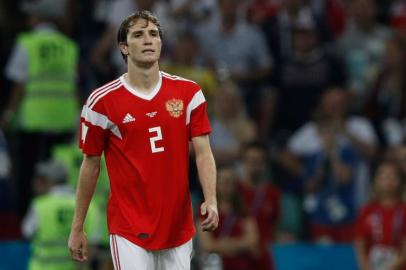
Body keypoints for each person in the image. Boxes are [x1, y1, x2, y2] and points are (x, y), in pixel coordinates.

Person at [68, 10, 218, 270]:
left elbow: (204, 153)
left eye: (154, 34)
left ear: (161, 42)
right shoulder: (101, 103)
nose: (148, 40)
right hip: (128, 228)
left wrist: (211, 199)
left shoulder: (189, 93)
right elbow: (90, 166)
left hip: (177, 227)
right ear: (123, 47)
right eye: (138, 35)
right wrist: (77, 227)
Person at [1, 0, 79, 217]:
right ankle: (58, 216)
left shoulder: (27, 43)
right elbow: (72, 85)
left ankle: (29, 218)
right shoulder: (68, 46)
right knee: (59, 171)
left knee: (28, 173)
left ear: (38, 18)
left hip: (33, 120)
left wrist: (8, 114)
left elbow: (19, 83)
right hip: (62, 118)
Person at [22, 159, 96, 270]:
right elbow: (94, 246)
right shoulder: (89, 205)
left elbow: (26, 232)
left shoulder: (40, 205)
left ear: (48, 181)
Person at [198, 165, 261, 270]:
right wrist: (239, 245)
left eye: (231, 183)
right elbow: (207, 245)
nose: (228, 186)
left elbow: (252, 241)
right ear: (215, 184)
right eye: (224, 182)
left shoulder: (244, 211)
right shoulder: (205, 212)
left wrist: (224, 244)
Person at [355, 160, 406, 270]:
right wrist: (365, 266)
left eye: (392, 175)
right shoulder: (366, 210)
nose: (387, 178)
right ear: (375, 181)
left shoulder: (404, 211)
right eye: (382, 175)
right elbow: (360, 243)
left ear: (400, 181)